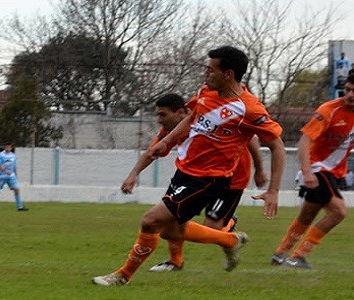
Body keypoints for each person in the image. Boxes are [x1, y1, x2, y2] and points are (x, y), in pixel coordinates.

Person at [92, 46, 285, 286]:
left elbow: (277, 146)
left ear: (229, 74)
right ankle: (230, 240)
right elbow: (191, 118)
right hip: (184, 172)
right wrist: (167, 141)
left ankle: (123, 276)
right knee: (170, 232)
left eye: (211, 70)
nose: (206, 74)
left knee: (150, 221)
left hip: (210, 179)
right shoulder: (206, 92)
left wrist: (273, 189)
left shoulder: (249, 109)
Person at [121, 93, 268, 272]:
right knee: (170, 222)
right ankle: (176, 261)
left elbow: (250, 137)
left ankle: (229, 228)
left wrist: (259, 168)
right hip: (196, 176)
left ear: (181, 113)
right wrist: (133, 174)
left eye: (163, 115)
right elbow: (153, 151)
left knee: (209, 227)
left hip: (232, 179)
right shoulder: (170, 131)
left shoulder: (208, 120)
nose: (158, 120)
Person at [271, 73, 354, 269]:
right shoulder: (329, 110)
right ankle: (298, 256)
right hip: (317, 168)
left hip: (333, 172)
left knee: (307, 215)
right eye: (348, 89)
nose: (350, 94)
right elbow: (304, 141)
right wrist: (307, 172)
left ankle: (280, 254)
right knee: (339, 212)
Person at [0, 141, 29, 211]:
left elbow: (14, 165)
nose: (8, 148)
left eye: (9, 147)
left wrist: (16, 174)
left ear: (11, 148)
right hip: (2, 176)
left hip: (11, 176)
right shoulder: (0, 155)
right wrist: (5, 171)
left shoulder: (13, 155)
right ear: (4, 147)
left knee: (17, 190)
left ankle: (20, 207)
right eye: (6, 147)